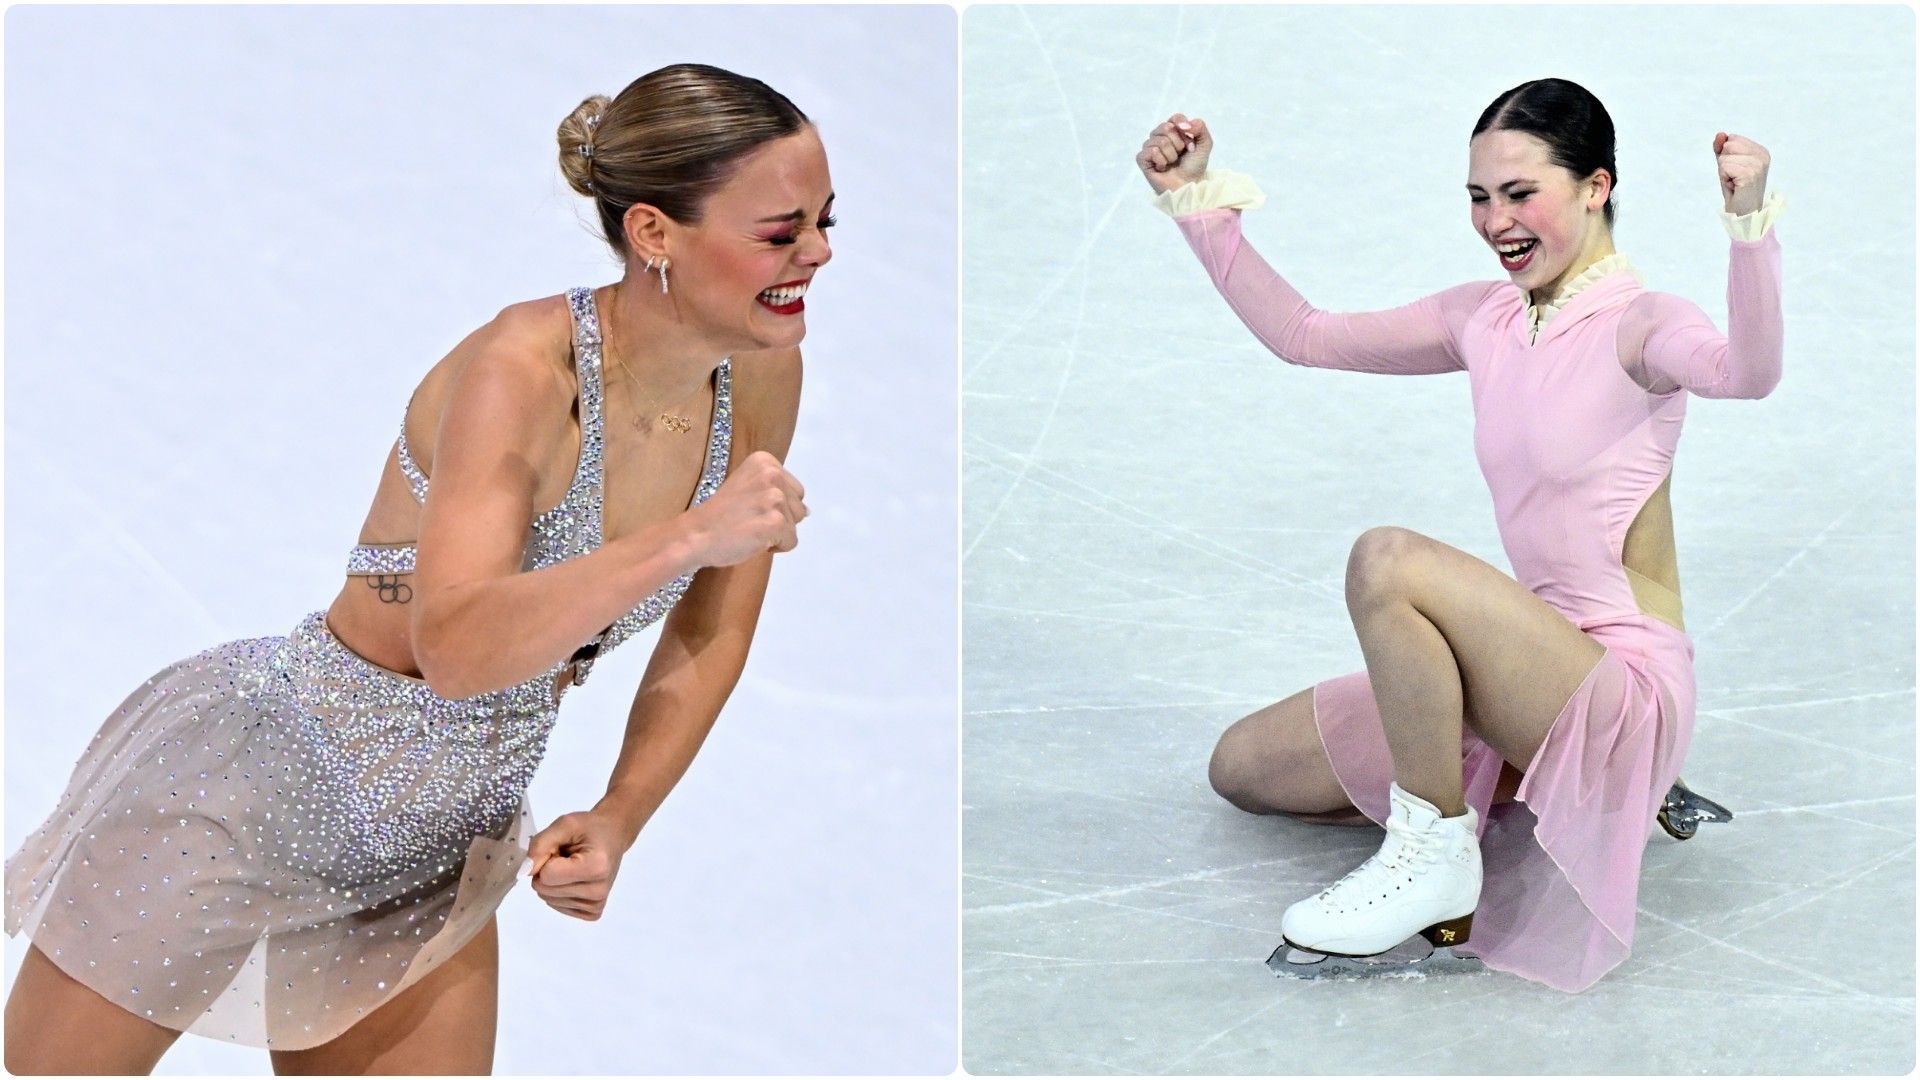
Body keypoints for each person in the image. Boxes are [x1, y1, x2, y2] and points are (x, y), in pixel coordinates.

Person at [4, 61, 829, 1072]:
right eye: (783, 232)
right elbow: (457, 644)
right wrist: (693, 535)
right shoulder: (520, 374)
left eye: (828, 222)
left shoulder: (759, 371)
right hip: (252, 791)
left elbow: (713, 626)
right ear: (654, 232)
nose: (818, 254)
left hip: (434, 852)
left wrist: (620, 813)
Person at [1135, 77, 1782, 991]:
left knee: (1387, 563)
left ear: (1596, 187)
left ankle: (1436, 854)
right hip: (1520, 674)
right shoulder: (1480, 317)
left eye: (1522, 194)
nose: (1496, 220)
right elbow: (1304, 333)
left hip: (1620, 693)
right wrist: (1196, 204)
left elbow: (1747, 373)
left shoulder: (1642, 326)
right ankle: (1516, 790)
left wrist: (1748, 225)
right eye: (1480, 197)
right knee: (1240, 768)